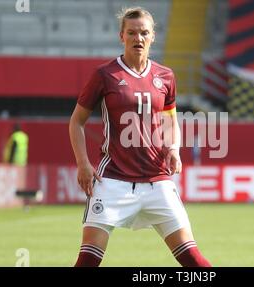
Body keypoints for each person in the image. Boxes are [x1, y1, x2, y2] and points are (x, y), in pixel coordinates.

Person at [69, 7, 211, 267]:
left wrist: (174, 149)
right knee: (88, 260)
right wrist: (83, 163)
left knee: (192, 258)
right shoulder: (104, 75)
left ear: (153, 36)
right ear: (121, 36)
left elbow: (170, 120)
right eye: (132, 33)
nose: (139, 38)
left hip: (157, 182)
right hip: (112, 180)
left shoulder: (165, 76)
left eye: (144, 32)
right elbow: (76, 121)